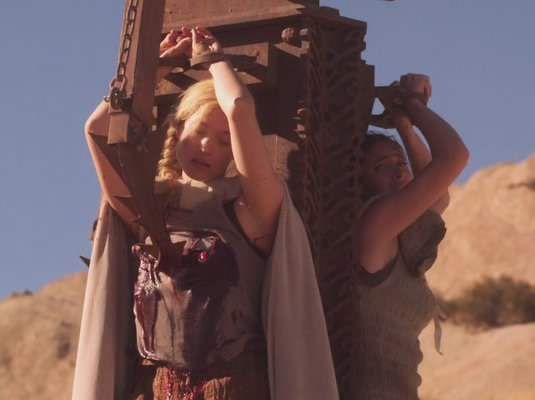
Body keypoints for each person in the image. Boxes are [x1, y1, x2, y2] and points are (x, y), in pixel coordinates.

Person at [73, 26, 338, 400]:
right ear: (179, 129)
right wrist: (155, 69)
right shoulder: (148, 208)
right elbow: (98, 130)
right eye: (199, 131)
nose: (206, 147)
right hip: (152, 389)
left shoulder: (250, 208)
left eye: (223, 140)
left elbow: (239, 107)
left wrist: (214, 60)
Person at [352, 73, 469, 399]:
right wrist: (413, 105)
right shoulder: (373, 226)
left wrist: (403, 123)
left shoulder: (400, 240)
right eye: (382, 167)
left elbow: (438, 197)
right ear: (358, 183)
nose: (400, 171)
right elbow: (454, 155)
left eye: (400, 161)